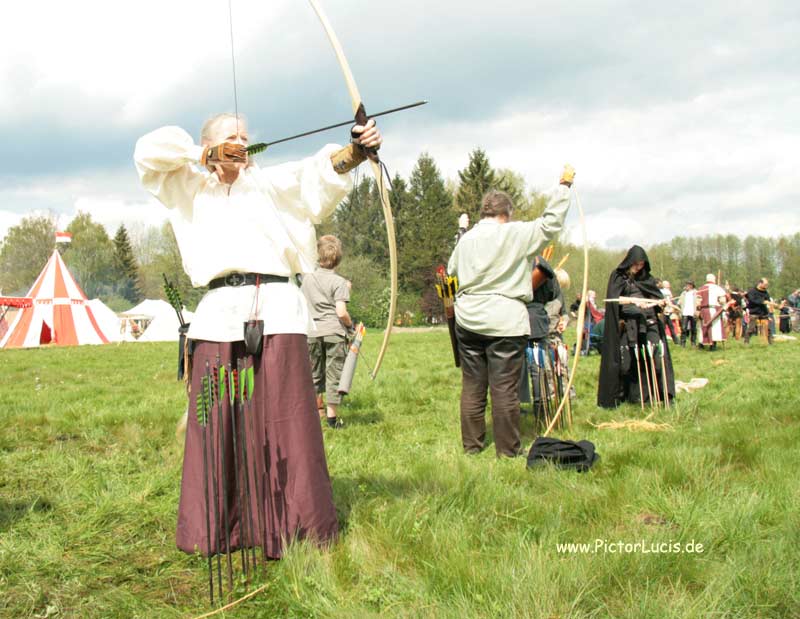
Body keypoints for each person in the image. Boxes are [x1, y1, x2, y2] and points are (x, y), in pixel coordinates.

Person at [134, 111, 382, 559]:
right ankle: (217, 527)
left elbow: (320, 175)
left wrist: (357, 150)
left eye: (245, 137)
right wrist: (199, 155)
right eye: (230, 137)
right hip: (217, 316)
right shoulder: (188, 186)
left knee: (285, 419)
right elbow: (147, 154)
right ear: (209, 144)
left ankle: (295, 529)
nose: (241, 143)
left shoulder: (270, 183)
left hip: (279, 311)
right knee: (217, 420)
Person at [447, 166, 575, 457]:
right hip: (505, 320)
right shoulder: (515, 233)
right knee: (505, 388)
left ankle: (472, 448)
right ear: (507, 213)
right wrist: (563, 188)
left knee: (473, 385)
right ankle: (507, 452)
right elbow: (550, 223)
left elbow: (453, 269)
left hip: (468, 319)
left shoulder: (466, 239)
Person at [597, 245, 675, 408]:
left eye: (641, 265)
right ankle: (633, 396)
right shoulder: (618, 277)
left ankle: (659, 395)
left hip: (649, 324)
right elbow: (615, 300)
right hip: (628, 325)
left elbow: (656, 298)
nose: (638, 268)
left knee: (655, 359)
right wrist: (633, 301)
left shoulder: (647, 278)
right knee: (628, 364)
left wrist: (658, 303)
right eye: (636, 264)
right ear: (629, 261)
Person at [301, 235, 353, 429]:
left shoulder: (306, 279)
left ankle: (313, 415)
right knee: (333, 374)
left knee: (313, 374)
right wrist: (350, 326)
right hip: (333, 332)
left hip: (312, 332)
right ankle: (331, 420)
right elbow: (341, 312)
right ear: (338, 259)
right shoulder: (339, 282)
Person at [697, 274, 728, 351]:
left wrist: (698, 309)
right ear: (714, 279)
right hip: (714, 310)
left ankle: (702, 344)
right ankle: (713, 345)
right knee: (714, 327)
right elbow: (722, 301)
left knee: (702, 327)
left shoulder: (701, 288)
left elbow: (698, 302)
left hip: (703, 310)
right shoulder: (718, 288)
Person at [744, 278, 772, 344]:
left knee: (768, 328)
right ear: (760, 283)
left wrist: (769, 302)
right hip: (754, 311)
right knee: (751, 328)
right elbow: (752, 300)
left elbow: (768, 299)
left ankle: (771, 342)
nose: (766, 286)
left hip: (763, 311)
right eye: (765, 284)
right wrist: (762, 301)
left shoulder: (765, 291)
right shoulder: (752, 291)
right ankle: (746, 342)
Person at [678, 281, 697, 347]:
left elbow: (698, 302)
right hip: (685, 312)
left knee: (693, 329)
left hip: (693, 312)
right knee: (683, 328)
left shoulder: (695, 293)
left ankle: (693, 343)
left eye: (688, 285)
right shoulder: (683, 293)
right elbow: (679, 302)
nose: (686, 286)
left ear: (691, 286)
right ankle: (682, 343)